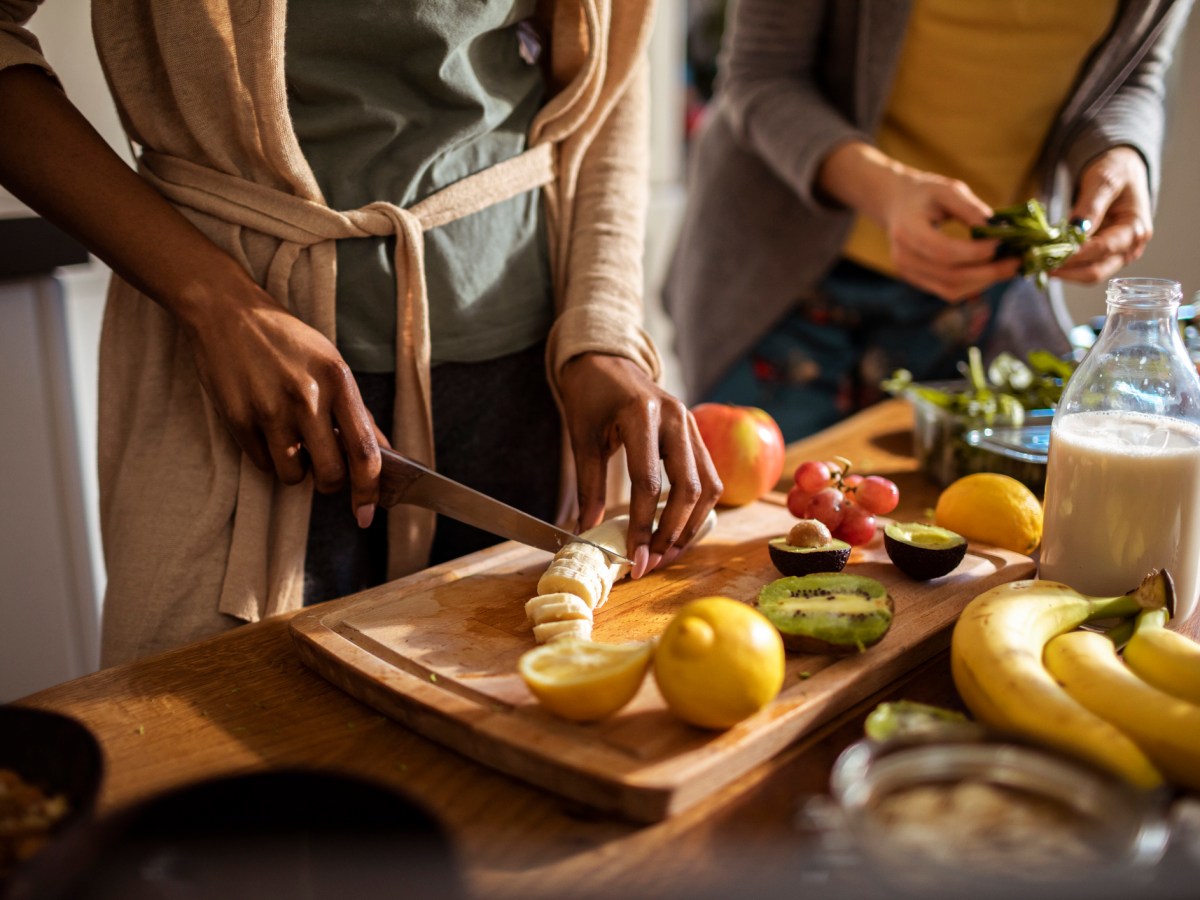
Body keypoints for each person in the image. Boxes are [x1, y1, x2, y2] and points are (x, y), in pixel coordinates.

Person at [0, 0, 721, 666]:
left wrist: (602, 331)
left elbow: (613, 74)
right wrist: (215, 301)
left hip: (528, 387)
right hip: (235, 394)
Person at [665, 0, 1193, 442]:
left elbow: (1133, 75)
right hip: (780, 279)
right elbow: (761, 73)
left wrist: (1122, 155)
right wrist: (886, 191)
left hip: (979, 298)